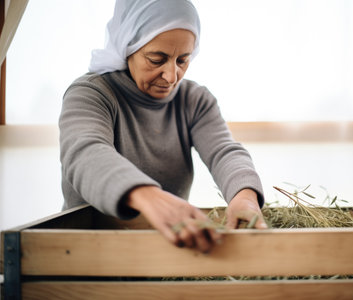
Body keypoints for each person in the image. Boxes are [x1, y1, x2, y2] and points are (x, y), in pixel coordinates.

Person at [59, 0, 267, 254]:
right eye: (157, 59)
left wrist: (244, 195)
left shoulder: (194, 100)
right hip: (89, 251)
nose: (171, 76)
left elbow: (223, 151)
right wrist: (147, 197)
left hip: (167, 252)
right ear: (128, 47)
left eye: (183, 60)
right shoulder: (93, 93)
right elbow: (85, 154)